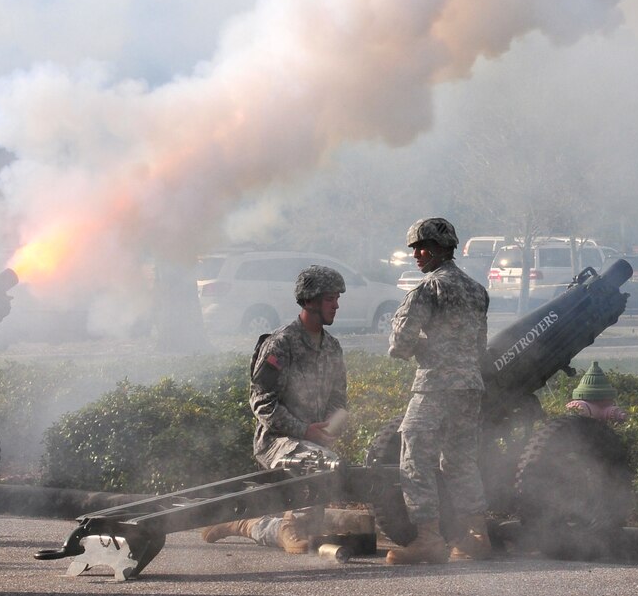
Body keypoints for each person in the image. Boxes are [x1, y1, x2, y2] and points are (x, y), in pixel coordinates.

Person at [200, 265, 349, 553]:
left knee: (312, 529)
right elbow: (261, 402)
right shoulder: (280, 344)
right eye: (330, 298)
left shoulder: (332, 348)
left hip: (313, 443)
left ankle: (243, 523)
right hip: (276, 442)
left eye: (337, 298)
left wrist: (333, 423)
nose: (337, 305)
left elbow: (338, 399)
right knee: (319, 464)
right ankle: (274, 526)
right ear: (309, 300)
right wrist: (304, 430)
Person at [386, 217, 492, 564]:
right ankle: (477, 536)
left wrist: (418, 344)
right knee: (461, 459)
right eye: (414, 248)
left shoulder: (426, 290)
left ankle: (428, 538)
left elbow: (400, 346)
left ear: (441, 249)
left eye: (422, 247)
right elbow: (480, 347)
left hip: (434, 386)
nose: (416, 254)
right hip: (469, 386)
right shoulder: (478, 291)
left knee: (415, 456)